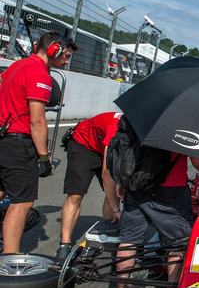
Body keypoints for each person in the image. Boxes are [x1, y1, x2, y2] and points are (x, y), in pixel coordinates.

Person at [0, 32, 76, 255]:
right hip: (18, 143)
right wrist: (44, 157)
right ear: (54, 50)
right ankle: (10, 258)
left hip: (3, 138)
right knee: (22, 202)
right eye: (65, 55)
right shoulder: (39, 74)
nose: (65, 61)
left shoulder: (16, 66)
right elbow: (37, 120)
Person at [111, 153, 199, 288]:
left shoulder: (141, 126)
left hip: (137, 184)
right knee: (177, 244)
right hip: (171, 190)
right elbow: (197, 161)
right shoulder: (181, 127)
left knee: (129, 240)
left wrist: (123, 180)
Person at [58, 111, 123, 258]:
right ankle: (64, 244)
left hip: (102, 144)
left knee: (112, 192)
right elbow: (106, 173)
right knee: (75, 195)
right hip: (83, 144)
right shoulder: (116, 128)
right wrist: (116, 209)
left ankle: (108, 234)